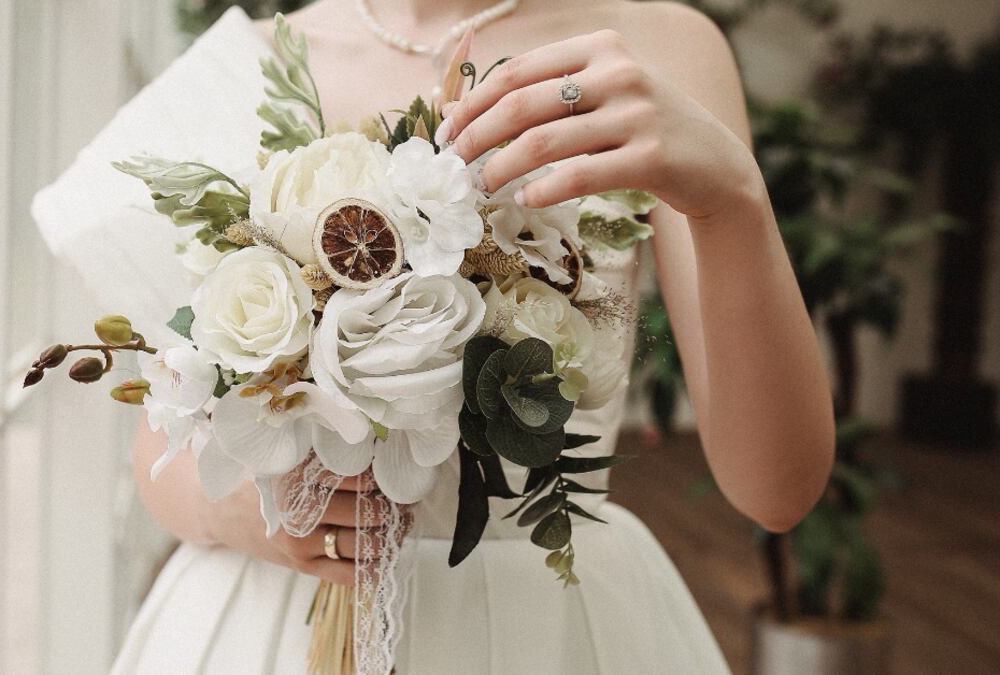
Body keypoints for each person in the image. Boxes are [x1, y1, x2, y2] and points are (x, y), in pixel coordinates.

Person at [48, 1, 835, 672]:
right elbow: (160, 438)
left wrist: (732, 202)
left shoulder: (655, 47)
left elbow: (777, 490)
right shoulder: (243, 65)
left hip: (549, 624)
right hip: (269, 620)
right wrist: (253, 513)